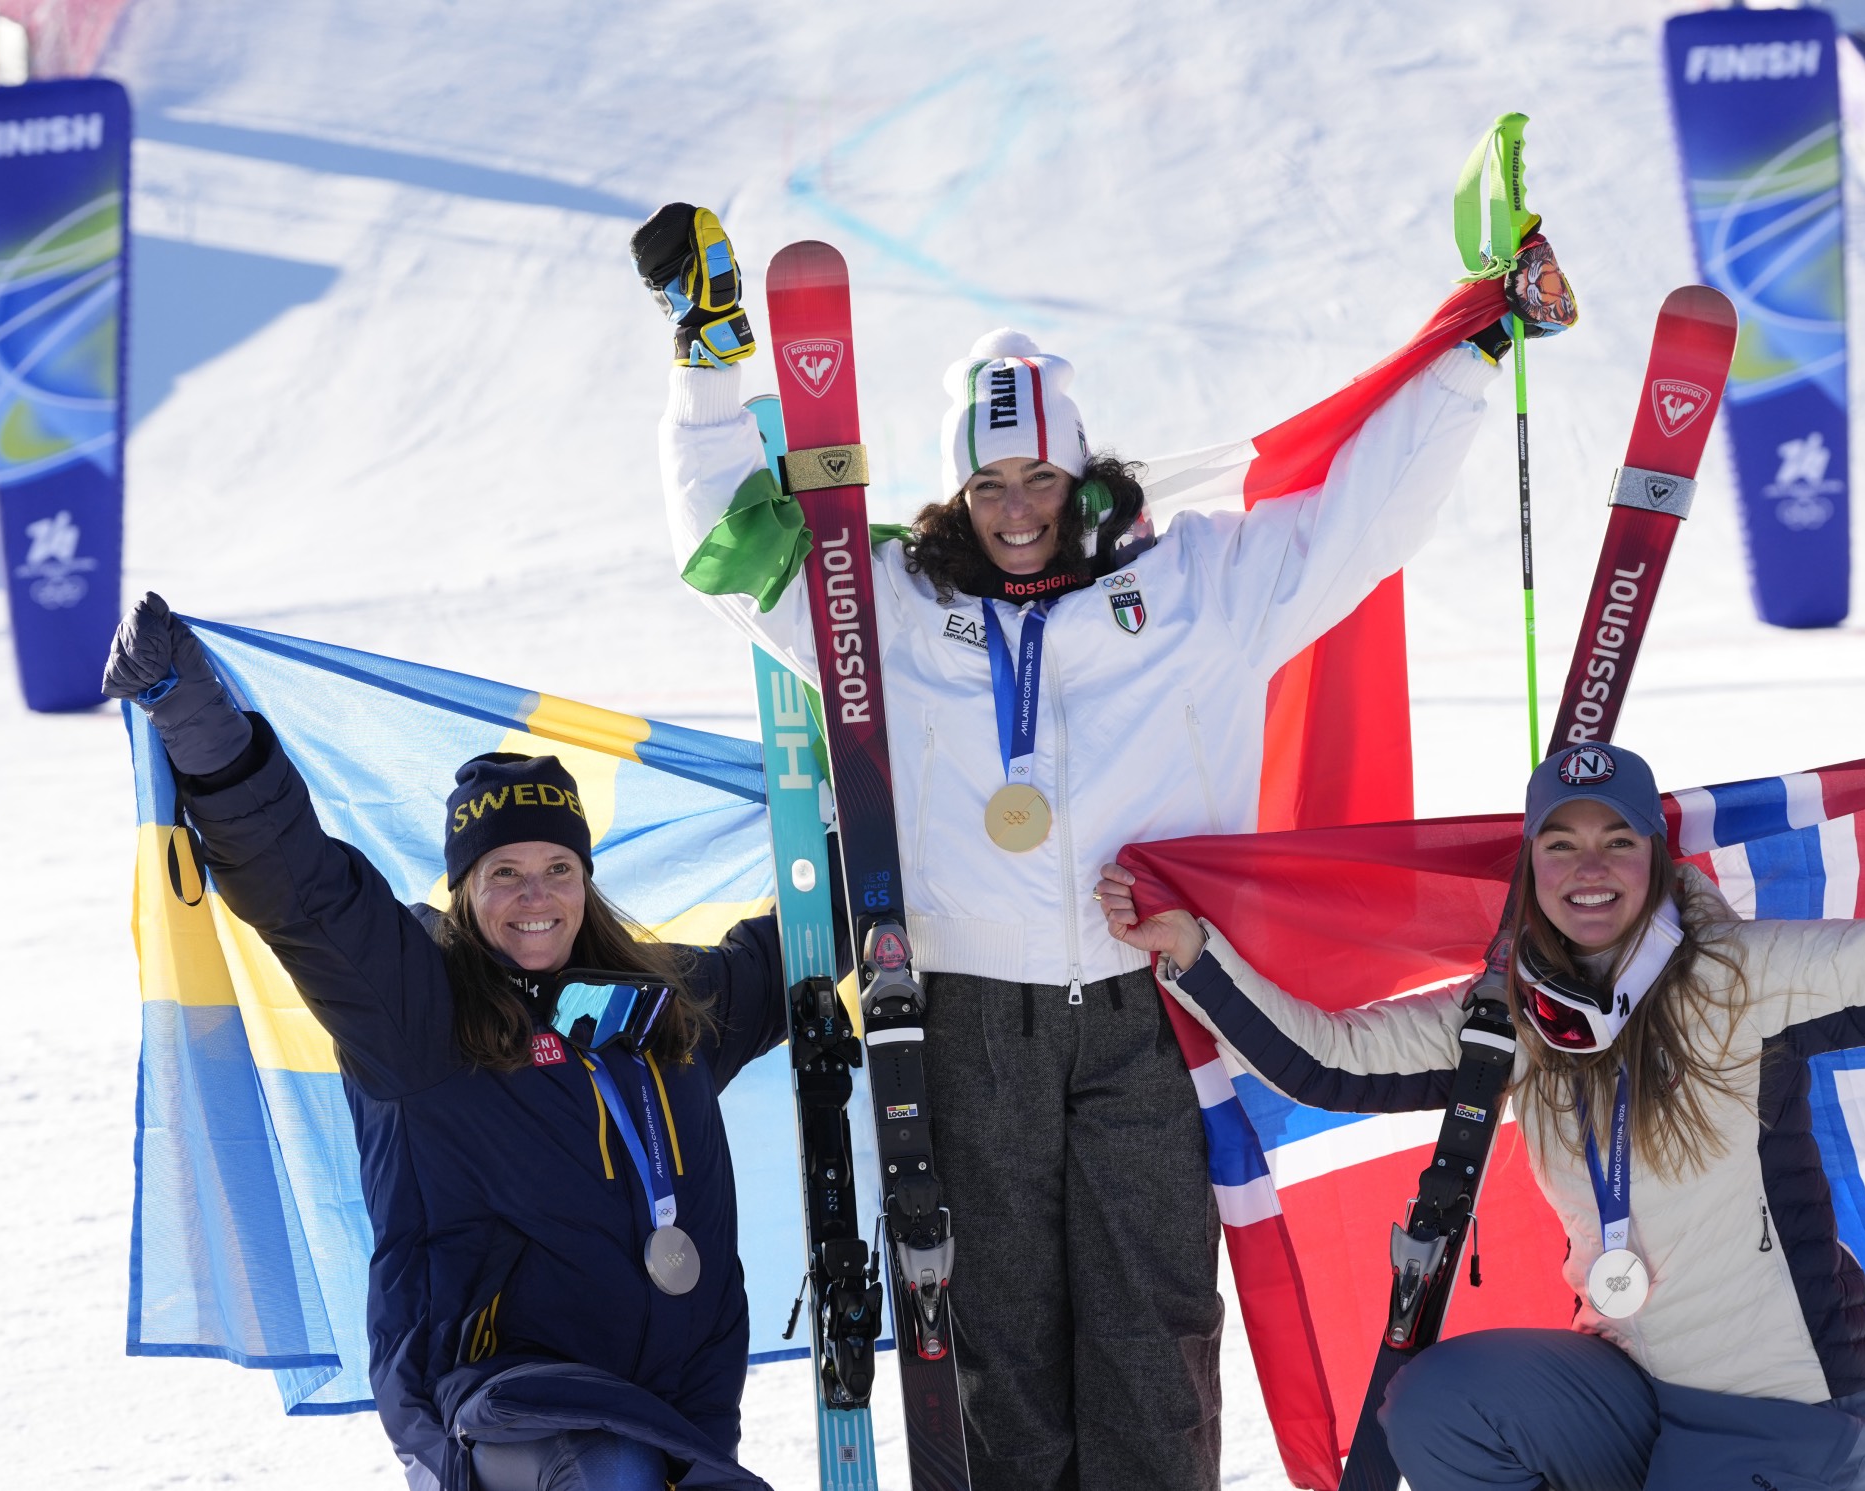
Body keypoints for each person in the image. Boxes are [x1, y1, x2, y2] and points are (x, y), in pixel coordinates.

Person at [640, 202, 1578, 1491]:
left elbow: (1362, 519)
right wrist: (706, 359)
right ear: (956, 491)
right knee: (996, 1343)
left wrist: (1476, 355)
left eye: (1037, 480)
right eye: (987, 484)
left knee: (1153, 1332)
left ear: (1085, 477)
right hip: (965, 1019)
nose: (1015, 511)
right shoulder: (893, 607)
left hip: (1148, 1012)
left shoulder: (1196, 585)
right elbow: (728, 546)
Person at [1097, 717, 1865, 1491]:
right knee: (1441, 1406)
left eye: (1617, 838)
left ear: (1657, 860)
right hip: (1629, 1392)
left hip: (1783, 1415)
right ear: (1528, 868)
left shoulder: (1742, 978)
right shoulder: (1512, 1017)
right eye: (1560, 842)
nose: (1590, 864)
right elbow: (1327, 1064)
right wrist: (1195, 957)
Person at [102, 594, 787, 1491]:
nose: (534, 895)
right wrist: (193, 714)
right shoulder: (415, 1009)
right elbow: (298, 885)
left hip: (678, 1405)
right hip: (503, 1394)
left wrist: (881, 791)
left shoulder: (670, 1008)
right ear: (465, 888)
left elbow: (805, 935)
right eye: (503, 872)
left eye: (557, 868)